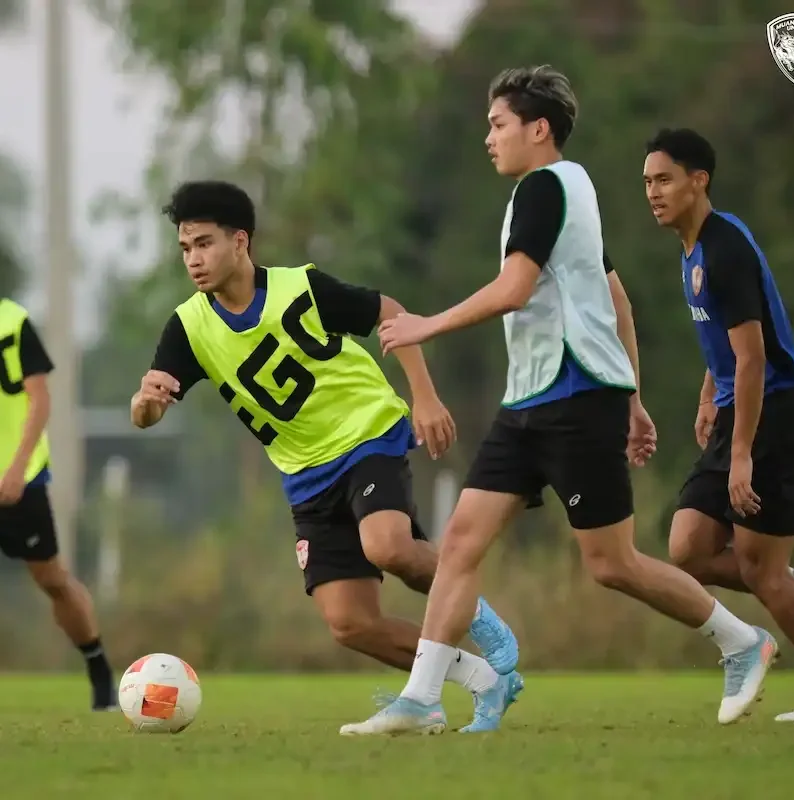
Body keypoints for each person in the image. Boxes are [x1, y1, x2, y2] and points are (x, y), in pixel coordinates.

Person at [340, 65, 777, 736]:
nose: (489, 138)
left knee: (612, 563)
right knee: (459, 542)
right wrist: (632, 395)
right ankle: (422, 698)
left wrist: (425, 324)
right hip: (534, 401)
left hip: (574, 399)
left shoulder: (547, 187)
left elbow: (514, 289)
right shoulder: (565, 192)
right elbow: (615, 295)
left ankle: (740, 640)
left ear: (538, 130)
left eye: (498, 125)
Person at [131, 180, 523, 733]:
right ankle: (479, 682)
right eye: (185, 248)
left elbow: (390, 312)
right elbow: (148, 409)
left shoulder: (300, 287)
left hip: (366, 434)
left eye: (204, 243)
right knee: (350, 624)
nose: (193, 259)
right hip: (305, 474)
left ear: (240, 241)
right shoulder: (190, 327)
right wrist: (146, 404)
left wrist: (424, 396)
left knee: (388, 545)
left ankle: (484, 623)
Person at [643, 128, 794, 723]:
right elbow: (728, 348)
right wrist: (710, 394)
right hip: (738, 406)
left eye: (664, 180)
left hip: (774, 411)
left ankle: (780, 588)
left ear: (698, 181)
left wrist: (741, 455)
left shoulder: (724, 248)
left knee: (760, 569)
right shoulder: (692, 248)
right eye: (648, 183)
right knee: (688, 546)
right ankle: (784, 588)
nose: (653, 193)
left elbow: (756, 357)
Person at [0, 298, 115, 710]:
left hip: (17, 480)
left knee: (51, 579)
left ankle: (98, 666)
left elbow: (39, 398)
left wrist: (16, 468)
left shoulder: (11, 323)